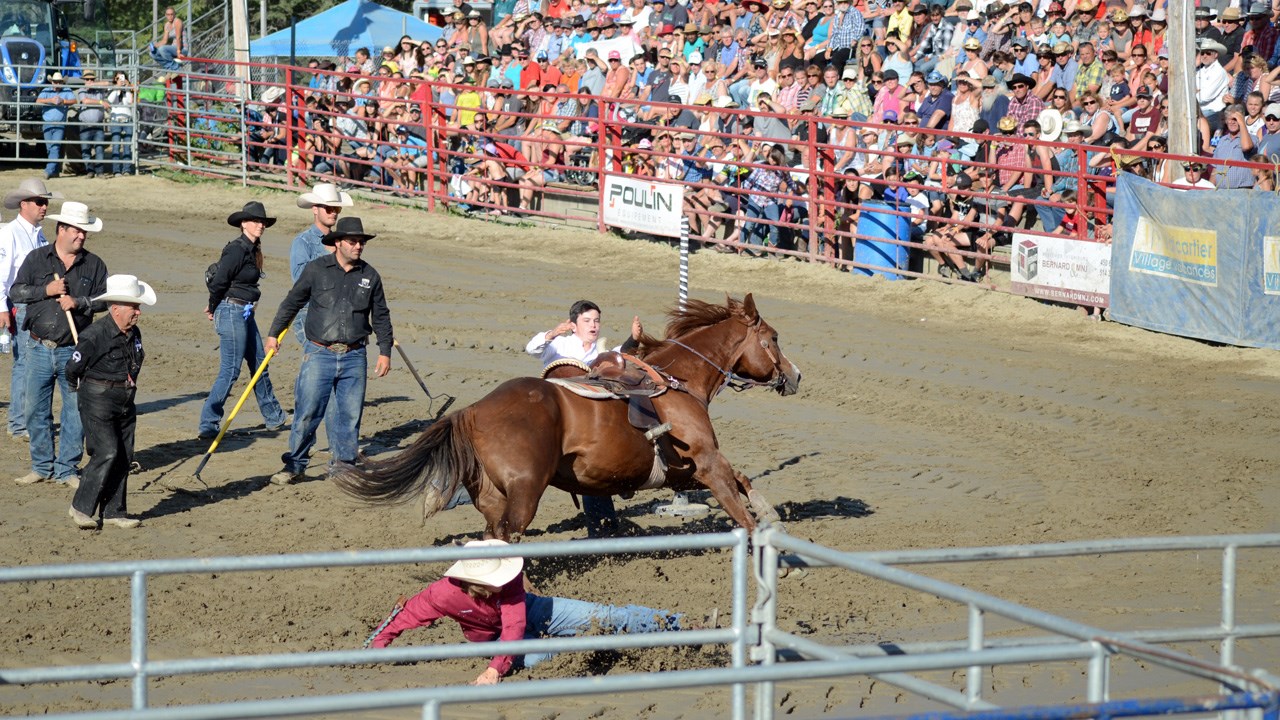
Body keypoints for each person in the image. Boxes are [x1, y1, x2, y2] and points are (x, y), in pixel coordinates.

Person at [368, 539, 686, 684]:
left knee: (603, 616)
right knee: (548, 657)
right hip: (490, 641)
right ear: (477, 583)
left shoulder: (512, 583)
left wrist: (494, 671)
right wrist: (376, 648)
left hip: (532, 612)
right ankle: (611, 652)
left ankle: (681, 625)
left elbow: (514, 624)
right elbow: (407, 615)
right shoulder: (442, 595)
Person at [264, 217, 393, 486]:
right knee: (307, 412)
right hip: (319, 353)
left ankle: (344, 466)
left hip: (355, 355)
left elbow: (381, 316)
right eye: (353, 241)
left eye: (362, 242)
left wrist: (385, 351)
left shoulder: (370, 276)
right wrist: (273, 334)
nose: (358, 246)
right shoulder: (315, 270)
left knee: (349, 415)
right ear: (337, 243)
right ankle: (295, 466)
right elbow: (292, 302)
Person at [9, 201, 108, 487]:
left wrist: (79, 302)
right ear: (61, 229)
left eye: (84, 232)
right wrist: (46, 290)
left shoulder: (95, 264)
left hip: (73, 350)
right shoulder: (37, 259)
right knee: (34, 410)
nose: (81, 236)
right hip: (38, 347)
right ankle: (41, 466)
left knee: (74, 409)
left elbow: (106, 300)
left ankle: (67, 469)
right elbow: (17, 291)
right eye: (77, 231)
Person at [524, 300, 643, 536]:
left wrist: (633, 339)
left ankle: (604, 528)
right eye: (587, 321)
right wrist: (552, 333)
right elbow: (532, 348)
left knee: (592, 461)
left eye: (597, 321)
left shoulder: (600, 351)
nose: (594, 325)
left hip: (586, 422)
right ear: (573, 324)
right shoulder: (559, 344)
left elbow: (621, 355)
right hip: (554, 416)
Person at [66, 275, 155, 530]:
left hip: (126, 400)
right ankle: (81, 507)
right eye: (133, 307)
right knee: (106, 451)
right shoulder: (94, 335)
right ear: (115, 309)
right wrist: (84, 395)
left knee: (124, 455)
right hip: (98, 399)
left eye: (137, 307)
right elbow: (72, 369)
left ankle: (115, 511)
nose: (138, 312)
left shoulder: (134, 333)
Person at [198, 201, 289, 440]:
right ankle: (208, 422)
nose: (260, 225)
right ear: (243, 223)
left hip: (245, 312)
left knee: (260, 363)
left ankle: (273, 416)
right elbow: (219, 281)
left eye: (263, 222)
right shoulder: (237, 249)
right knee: (230, 370)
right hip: (231, 311)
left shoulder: (253, 248)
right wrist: (214, 305)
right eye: (256, 221)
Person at [0, 179, 61, 441]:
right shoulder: (9, 233)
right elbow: (2, 275)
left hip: (35, 304)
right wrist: (1, 307)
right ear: (23, 204)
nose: (44, 206)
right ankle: (17, 422)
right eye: (39, 201)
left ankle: (22, 420)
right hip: (21, 304)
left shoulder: (38, 233)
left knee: (30, 363)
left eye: (45, 201)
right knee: (25, 364)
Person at [290, 183, 353, 343]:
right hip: (310, 311)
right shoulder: (303, 242)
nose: (333, 213)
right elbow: (300, 280)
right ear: (315, 209)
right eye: (328, 208)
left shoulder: (342, 243)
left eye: (336, 209)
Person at [35, 72, 75, 180]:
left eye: (59, 82)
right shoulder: (46, 90)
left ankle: (48, 170)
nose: (57, 83)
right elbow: (38, 101)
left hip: (59, 124)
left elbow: (74, 100)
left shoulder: (66, 90)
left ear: (62, 82)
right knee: (50, 148)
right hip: (47, 123)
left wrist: (63, 101)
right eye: (55, 81)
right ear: (52, 82)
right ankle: (55, 170)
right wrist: (51, 101)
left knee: (55, 147)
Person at [148, 6, 183, 71]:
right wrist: (153, 46)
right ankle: (170, 67)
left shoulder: (177, 21)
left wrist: (178, 51)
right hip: (173, 48)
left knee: (162, 49)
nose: (170, 16)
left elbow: (178, 38)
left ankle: (177, 69)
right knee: (153, 53)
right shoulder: (167, 25)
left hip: (181, 48)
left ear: (174, 14)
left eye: (172, 14)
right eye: (168, 15)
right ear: (165, 15)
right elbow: (164, 41)